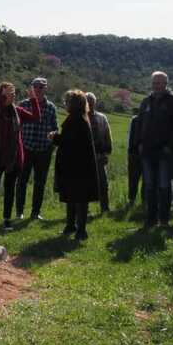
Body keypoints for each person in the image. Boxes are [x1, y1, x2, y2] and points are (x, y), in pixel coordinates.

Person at [0, 82, 42, 230]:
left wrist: (33, 99)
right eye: (10, 93)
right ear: (2, 94)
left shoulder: (18, 111)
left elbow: (35, 117)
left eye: (14, 93)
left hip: (13, 157)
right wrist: (3, 98)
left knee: (9, 189)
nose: (13, 95)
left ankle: (6, 220)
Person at [138, 71, 173, 228]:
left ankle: (164, 220)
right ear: (151, 84)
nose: (157, 86)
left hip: (165, 151)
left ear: (166, 83)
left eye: (160, 83)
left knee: (164, 185)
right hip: (147, 151)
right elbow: (140, 125)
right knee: (149, 186)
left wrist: (169, 147)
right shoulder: (146, 102)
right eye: (154, 83)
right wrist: (139, 143)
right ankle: (150, 220)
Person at [50, 89, 99, 240]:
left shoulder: (75, 120)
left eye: (67, 101)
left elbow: (69, 142)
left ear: (73, 104)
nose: (65, 103)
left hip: (77, 166)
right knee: (73, 196)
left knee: (79, 198)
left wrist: (55, 137)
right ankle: (71, 226)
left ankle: (81, 230)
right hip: (78, 165)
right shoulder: (79, 118)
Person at [16, 77, 59, 221]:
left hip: (43, 150)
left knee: (40, 182)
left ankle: (35, 212)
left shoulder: (51, 107)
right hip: (26, 148)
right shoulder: (23, 104)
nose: (38, 89)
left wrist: (51, 147)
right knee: (22, 181)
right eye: (36, 87)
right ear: (31, 88)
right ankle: (19, 212)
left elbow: (55, 128)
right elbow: (16, 127)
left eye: (41, 87)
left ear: (45, 89)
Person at [86, 92, 112, 214]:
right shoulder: (80, 117)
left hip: (100, 155)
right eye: (87, 102)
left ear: (95, 103)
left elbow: (107, 135)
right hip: (84, 157)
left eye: (92, 102)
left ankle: (105, 208)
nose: (90, 104)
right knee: (85, 184)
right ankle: (84, 210)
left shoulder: (102, 118)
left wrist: (107, 152)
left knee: (103, 184)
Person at [127, 111, 143, 205]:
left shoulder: (134, 120)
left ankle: (133, 199)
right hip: (135, 153)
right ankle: (135, 199)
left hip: (136, 153)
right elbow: (130, 137)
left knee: (134, 178)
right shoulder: (135, 120)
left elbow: (130, 137)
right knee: (134, 178)